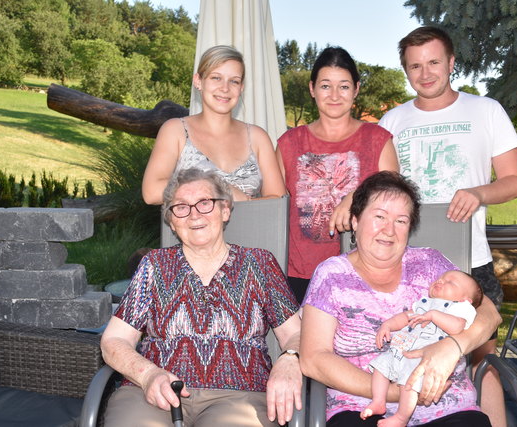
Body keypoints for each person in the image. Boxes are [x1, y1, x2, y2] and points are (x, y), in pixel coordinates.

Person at [377, 26, 517, 427]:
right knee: (404, 357)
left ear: (451, 63)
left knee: (483, 363)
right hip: (405, 265)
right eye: (414, 66)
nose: (425, 74)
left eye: (433, 63)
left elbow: (516, 180)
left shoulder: (486, 110)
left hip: (467, 265)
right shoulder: (391, 121)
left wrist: (479, 193)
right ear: (405, 70)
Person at [101, 168, 302, 427]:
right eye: (181, 207)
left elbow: (294, 334)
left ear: (225, 210)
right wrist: (149, 375)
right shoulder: (154, 265)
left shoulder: (259, 263)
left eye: (205, 203)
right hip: (155, 393)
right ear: (172, 221)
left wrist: (290, 359)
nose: (194, 214)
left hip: (240, 396)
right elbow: (114, 340)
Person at [300, 171, 500, 427]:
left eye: (401, 221)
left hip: (445, 405)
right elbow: (314, 358)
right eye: (379, 216)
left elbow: (489, 314)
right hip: (362, 406)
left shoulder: (430, 263)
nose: (389, 230)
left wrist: (453, 347)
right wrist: (398, 392)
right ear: (355, 220)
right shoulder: (332, 275)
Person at [276, 46, 399, 303]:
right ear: (312, 89)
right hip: (300, 276)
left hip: (363, 273)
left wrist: (356, 195)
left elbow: (395, 199)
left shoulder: (378, 140)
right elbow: (273, 205)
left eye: (343, 86)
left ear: (356, 89)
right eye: (325, 86)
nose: (334, 95)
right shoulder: (289, 142)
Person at [142, 45, 286, 205]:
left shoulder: (257, 137)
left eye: (234, 81)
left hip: (251, 229)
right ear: (198, 81)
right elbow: (151, 192)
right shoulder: (176, 131)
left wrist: (245, 201)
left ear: (241, 88)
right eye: (216, 78)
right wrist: (222, 189)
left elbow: (278, 202)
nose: (225, 88)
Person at [362, 270, 485, 427]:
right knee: (380, 367)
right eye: (440, 278)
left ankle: (401, 418)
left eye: (450, 282)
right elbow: (406, 317)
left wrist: (434, 315)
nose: (441, 281)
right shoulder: (424, 303)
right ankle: (378, 401)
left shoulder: (460, 308)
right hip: (401, 349)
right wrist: (388, 325)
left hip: (426, 357)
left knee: (410, 381)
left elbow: (456, 327)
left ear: (465, 299)